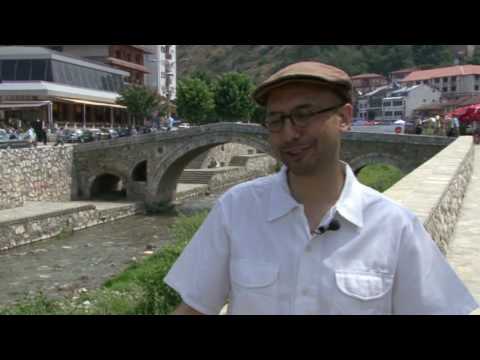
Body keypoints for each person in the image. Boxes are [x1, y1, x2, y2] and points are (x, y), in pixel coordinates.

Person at [164, 61, 479, 315]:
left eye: (304, 115)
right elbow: (195, 308)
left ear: (344, 117)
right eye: (276, 120)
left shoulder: (395, 227)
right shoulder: (236, 209)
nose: (289, 134)